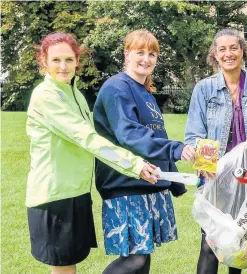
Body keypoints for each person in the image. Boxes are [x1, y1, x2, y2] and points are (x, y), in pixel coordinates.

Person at [25, 32, 158, 274]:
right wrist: (135, 165)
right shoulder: (46, 96)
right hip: (53, 194)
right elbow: (87, 138)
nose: (63, 66)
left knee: (71, 264)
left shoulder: (74, 94)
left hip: (77, 192)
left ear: (77, 61)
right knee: (64, 268)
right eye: (56, 60)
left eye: (68, 59)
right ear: (44, 62)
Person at [93, 30, 194, 274]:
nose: (146, 59)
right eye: (140, 52)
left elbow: (156, 137)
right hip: (126, 184)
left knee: (143, 260)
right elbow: (130, 135)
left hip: (149, 183)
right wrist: (177, 150)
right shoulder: (116, 88)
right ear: (127, 54)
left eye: (152, 54)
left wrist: (174, 182)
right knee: (134, 260)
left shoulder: (144, 92)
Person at [183, 28, 247, 274]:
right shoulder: (204, 89)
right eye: (222, 49)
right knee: (210, 243)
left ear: (243, 50)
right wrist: (204, 163)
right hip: (215, 176)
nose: (228, 53)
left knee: (240, 241)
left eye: (233, 47)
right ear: (215, 54)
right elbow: (193, 133)